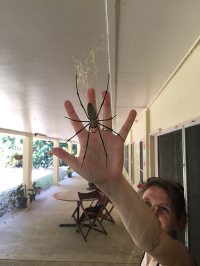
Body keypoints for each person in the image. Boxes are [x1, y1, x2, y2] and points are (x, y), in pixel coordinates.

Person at [51, 87, 196, 266]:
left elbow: (155, 241)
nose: (151, 214)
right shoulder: (146, 257)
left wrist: (116, 184)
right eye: (146, 204)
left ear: (178, 222)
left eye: (164, 209)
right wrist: (110, 183)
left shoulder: (180, 258)